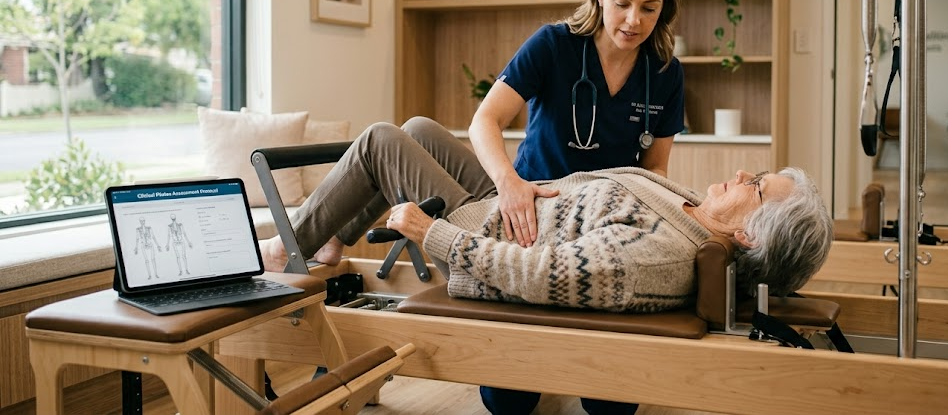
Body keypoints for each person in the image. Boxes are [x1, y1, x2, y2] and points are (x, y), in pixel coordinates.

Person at [259, 121, 833, 410]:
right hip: (521, 203)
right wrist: (521, 189)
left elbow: (543, 276)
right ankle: (328, 240)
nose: (741, 175)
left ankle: (293, 249)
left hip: (484, 230)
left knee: (382, 141)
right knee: (417, 130)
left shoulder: (663, 255)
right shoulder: (692, 211)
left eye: (755, 186)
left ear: (747, 235)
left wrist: (431, 234)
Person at [467, 0, 683, 413]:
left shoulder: (665, 73)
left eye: (650, 8)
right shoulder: (554, 46)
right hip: (534, 216)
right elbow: (484, 121)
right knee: (507, 402)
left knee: (613, 407)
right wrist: (509, 184)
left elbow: (656, 172)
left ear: (664, 10)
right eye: (623, 3)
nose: (634, 21)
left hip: (602, 228)